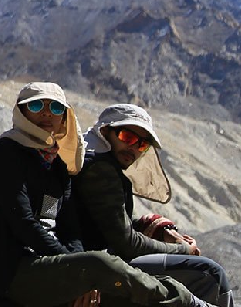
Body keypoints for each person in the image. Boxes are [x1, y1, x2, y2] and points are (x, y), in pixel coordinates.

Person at [0, 82, 210, 307]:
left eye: (55, 108)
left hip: (47, 264)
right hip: (12, 270)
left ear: (63, 118)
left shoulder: (55, 165)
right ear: (22, 112)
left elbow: (66, 227)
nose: (47, 114)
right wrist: (80, 270)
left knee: (110, 282)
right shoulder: (5, 154)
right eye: (37, 106)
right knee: (100, 263)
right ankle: (185, 301)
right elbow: (23, 222)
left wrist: (79, 270)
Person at [75, 104, 233, 307]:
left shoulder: (92, 157)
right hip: (98, 264)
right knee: (208, 274)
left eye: (141, 145)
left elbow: (102, 219)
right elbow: (127, 244)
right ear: (105, 131)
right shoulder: (100, 168)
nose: (133, 148)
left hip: (95, 260)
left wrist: (151, 224)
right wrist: (183, 250)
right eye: (127, 137)